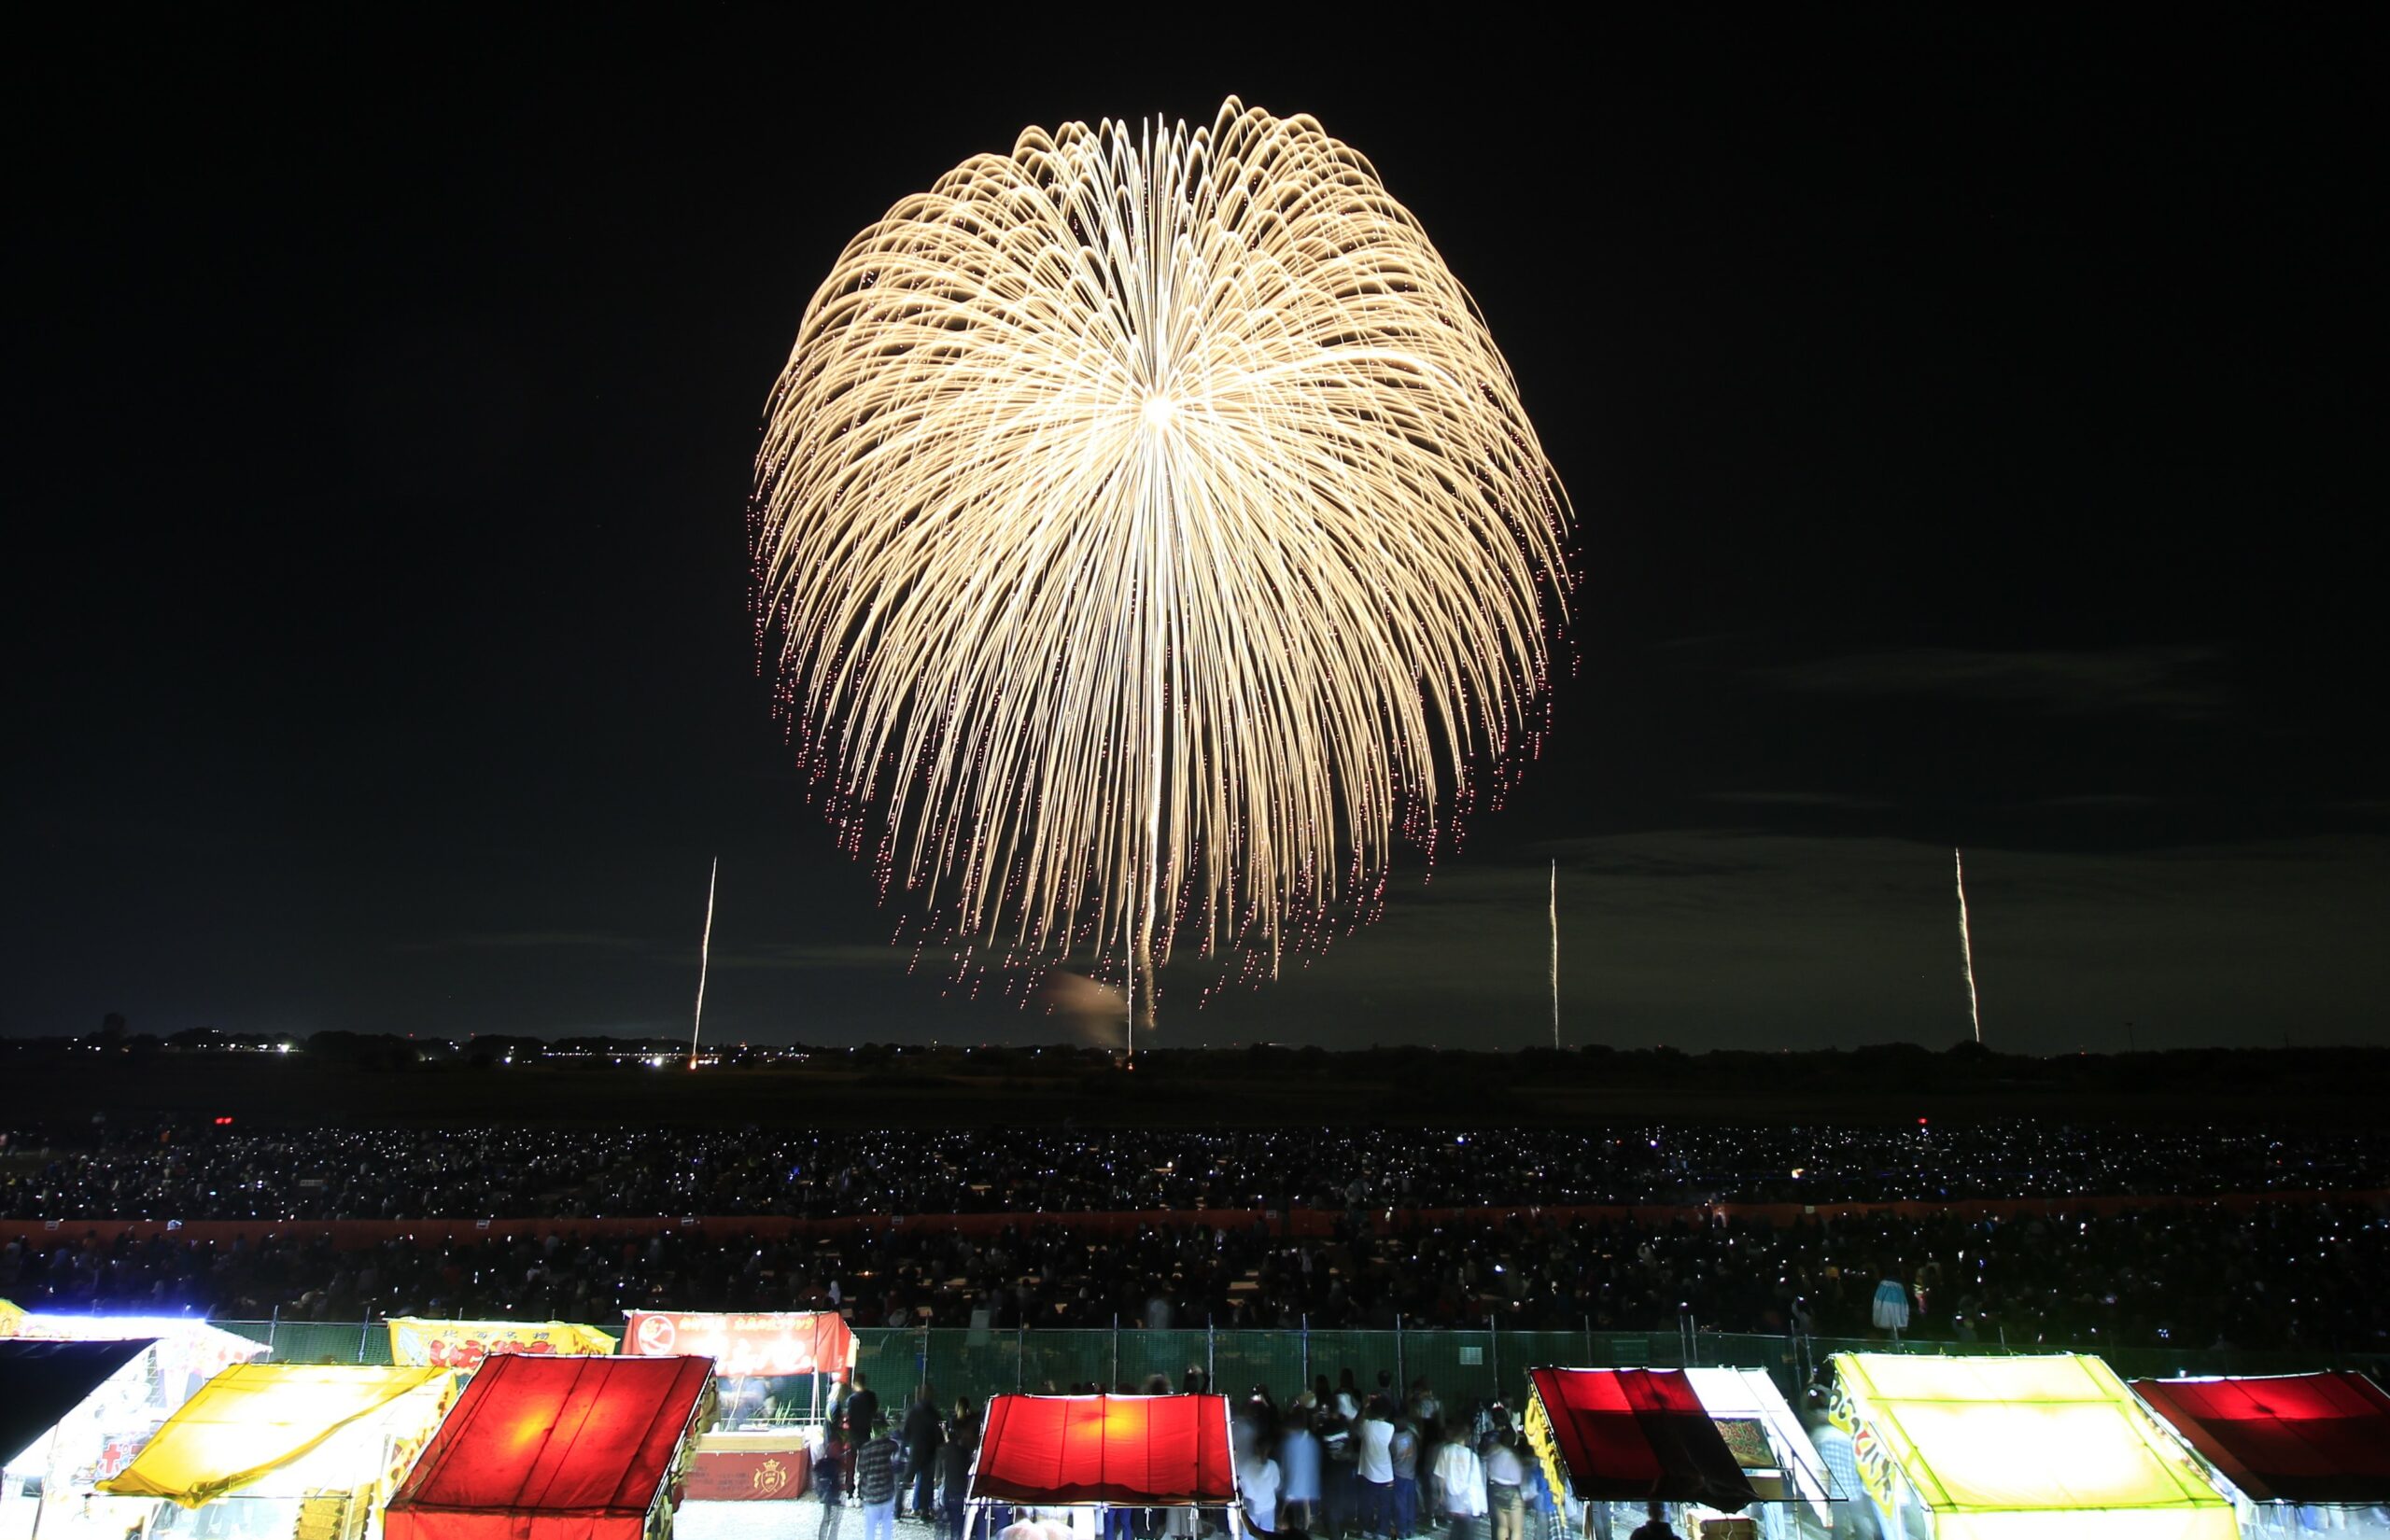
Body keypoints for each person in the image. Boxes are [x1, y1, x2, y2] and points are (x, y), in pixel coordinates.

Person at [1430, 1427, 1484, 1540]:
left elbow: (1441, 1475)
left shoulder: (1446, 1450)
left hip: (1452, 1499)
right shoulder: (1472, 1456)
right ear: (1467, 1438)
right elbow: (1477, 1482)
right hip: (1469, 1500)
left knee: (1457, 1529)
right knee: (1466, 1532)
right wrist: (1481, 1506)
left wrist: (1441, 1494)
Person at [854, 1415, 901, 1540]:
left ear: (872, 1429)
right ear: (885, 1427)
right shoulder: (892, 1446)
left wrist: (860, 1492)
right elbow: (898, 1465)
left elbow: (861, 1471)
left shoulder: (866, 1449)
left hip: (871, 1495)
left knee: (870, 1529)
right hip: (887, 1493)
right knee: (886, 1528)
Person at [1279, 1404, 1322, 1535]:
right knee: (1305, 1504)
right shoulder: (1311, 1440)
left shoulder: (1290, 1441)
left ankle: (1280, 1521)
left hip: (1294, 1478)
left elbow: (1285, 1462)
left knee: (1286, 1502)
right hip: (1306, 1480)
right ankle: (1307, 1527)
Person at [1357, 1398, 1396, 1539]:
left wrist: (1364, 1407)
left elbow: (1356, 1426)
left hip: (1367, 1473)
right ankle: (1382, 1532)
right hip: (1386, 1474)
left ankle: (1367, 1530)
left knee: (1367, 1503)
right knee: (1384, 1506)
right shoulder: (1391, 1428)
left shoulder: (1367, 1425)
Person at [905, 1385, 945, 1520]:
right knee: (926, 1480)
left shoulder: (914, 1411)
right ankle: (925, 1508)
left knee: (919, 1479)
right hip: (929, 1450)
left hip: (916, 1449)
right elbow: (938, 1430)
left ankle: (917, 1507)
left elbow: (907, 1430)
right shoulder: (932, 1411)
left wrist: (906, 1444)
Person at [1482, 1432, 1524, 1540]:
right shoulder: (1511, 1456)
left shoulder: (1492, 1454)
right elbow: (1517, 1478)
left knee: (1502, 1526)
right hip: (1512, 1491)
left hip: (1496, 1490)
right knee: (1516, 1529)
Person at [1238, 1437, 1284, 1536]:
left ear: (1255, 1448)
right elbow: (1276, 1485)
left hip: (1252, 1506)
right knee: (1268, 1535)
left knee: (1248, 1535)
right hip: (1268, 1506)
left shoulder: (1246, 1465)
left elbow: (1242, 1486)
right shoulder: (1273, 1465)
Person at [1388, 1414, 1421, 1540]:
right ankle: (1410, 1529)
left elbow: (1390, 1455)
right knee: (1410, 1503)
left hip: (1398, 1474)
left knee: (1400, 1505)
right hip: (1411, 1474)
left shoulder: (1392, 1438)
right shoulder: (1411, 1434)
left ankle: (1401, 1530)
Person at [815, 1424, 851, 1540]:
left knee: (826, 1518)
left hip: (826, 1491)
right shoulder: (840, 1447)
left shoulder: (830, 1446)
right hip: (836, 1490)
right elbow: (843, 1467)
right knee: (835, 1521)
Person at [846, 1370, 882, 1448]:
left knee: (854, 1453)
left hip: (854, 1432)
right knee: (865, 1450)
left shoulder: (851, 1399)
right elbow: (875, 1411)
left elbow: (850, 1415)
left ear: (855, 1384)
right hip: (866, 1429)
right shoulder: (871, 1396)